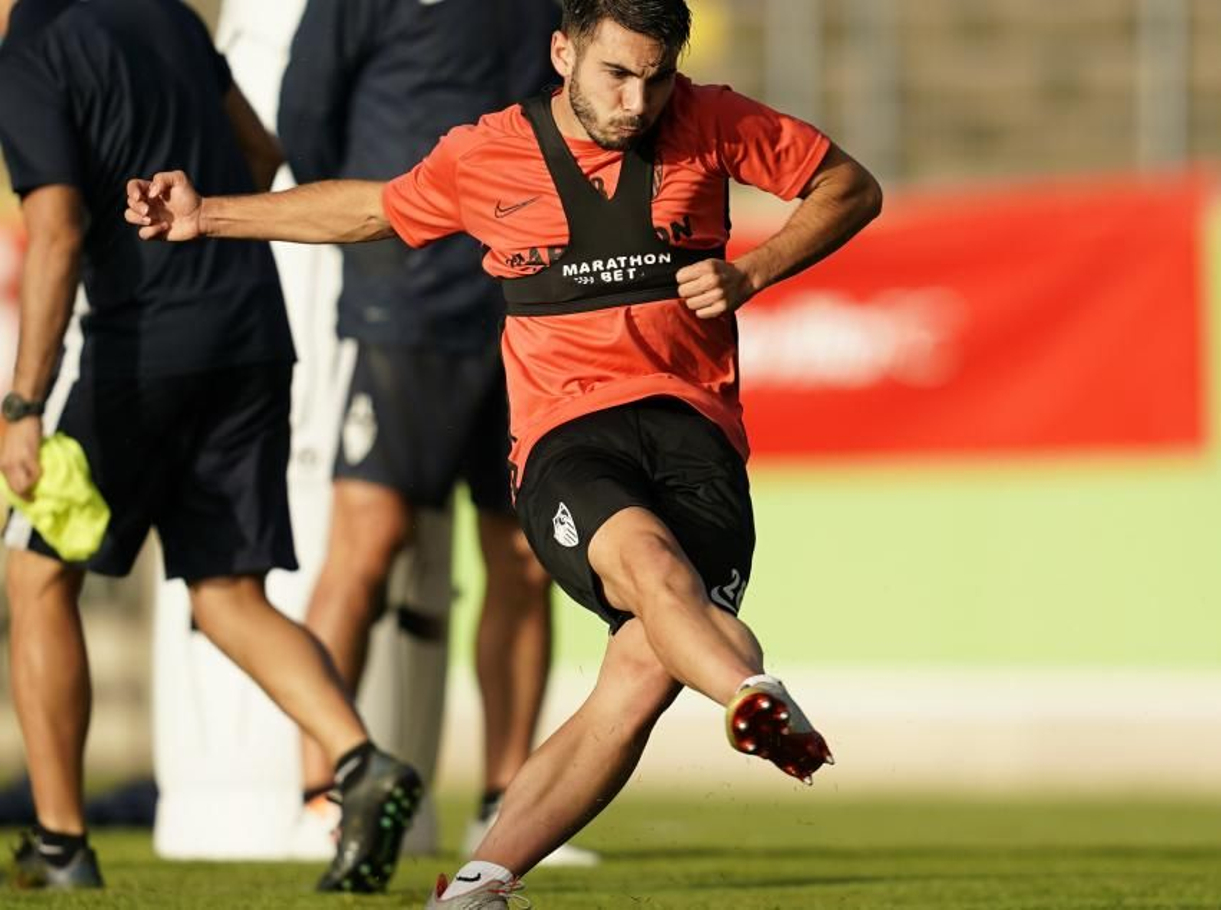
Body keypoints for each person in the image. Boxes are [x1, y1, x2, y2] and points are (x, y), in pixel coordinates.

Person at [125, 0, 882, 904]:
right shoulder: (487, 151)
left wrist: (753, 270)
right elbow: (368, 210)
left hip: (698, 436)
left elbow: (850, 187)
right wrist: (208, 214)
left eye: (655, 79)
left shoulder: (713, 119)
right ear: (563, 52)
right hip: (569, 437)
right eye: (616, 74)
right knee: (646, 565)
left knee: (638, 680)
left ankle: (479, 882)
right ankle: (750, 694)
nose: (637, 101)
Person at [0, 0, 421, 893]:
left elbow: (59, 231)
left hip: (142, 352)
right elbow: (260, 154)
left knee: (36, 573)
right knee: (227, 594)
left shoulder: (31, 48)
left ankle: (61, 843)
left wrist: (25, 402)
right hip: (251, 334)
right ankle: (358, 760)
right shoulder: (167, 15)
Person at [274, 0, 594, 865]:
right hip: (404, 300)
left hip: (530, 298)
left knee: (524, 557)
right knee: (367, 540)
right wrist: (379, 231)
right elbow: (306, 120)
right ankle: (323, 799)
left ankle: (504, 806)